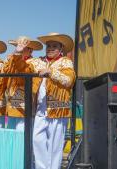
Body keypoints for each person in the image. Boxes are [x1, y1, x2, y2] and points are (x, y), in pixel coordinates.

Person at [27, 33, 76, 169]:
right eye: (48, 46)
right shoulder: (39, 61)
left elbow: (69, 80)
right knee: (37, 140)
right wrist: (19, 52)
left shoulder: (66, 61)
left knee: (55, 147)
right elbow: (23, 65)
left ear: (61, 48)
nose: (50, 48)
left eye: (54, 46)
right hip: (40, 109)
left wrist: (51, 72)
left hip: (58, 108)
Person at [0, 36, 43, 131]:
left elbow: (24, 69)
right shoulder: (12, 60)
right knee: (10, 137)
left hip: (25, 105)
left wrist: (17, 55)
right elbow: (4, 72)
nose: (19, 48)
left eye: (23, 47)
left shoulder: (36, 62)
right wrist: (13, 57)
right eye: (18, 46)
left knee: (22, 137)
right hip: (11, 105)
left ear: (30, 50)